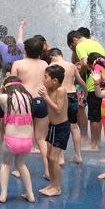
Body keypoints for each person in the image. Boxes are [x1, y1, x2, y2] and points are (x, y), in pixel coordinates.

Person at [11, 38, 49, 177]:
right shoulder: (45, 64)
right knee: (41, 138)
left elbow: (12, 84)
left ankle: (19, 168)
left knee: (23, 135)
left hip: (25, 101)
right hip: (41, 100)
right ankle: (47, 170)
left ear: (25, 50)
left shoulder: (18, 64)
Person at [0, 76, 36, 203]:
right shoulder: (29, 98)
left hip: (11, 140)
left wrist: (1, 90)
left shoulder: (4, 97)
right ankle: (30, 194)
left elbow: (4, 109)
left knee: (6, 164)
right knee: (21, 164)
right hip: (27, 140)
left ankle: (3, 195)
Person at [67, 29, 105, 151]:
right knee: (98, 115)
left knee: (93, 116)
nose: (73, 48)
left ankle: (93, 144)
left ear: (74, 40)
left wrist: (77, 73)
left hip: (92, 83)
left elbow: (85, 63)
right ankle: (98, 142)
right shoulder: (96, 43)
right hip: (103, 81)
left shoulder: (80, 45)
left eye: (71, 46)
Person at [48, 48, 86, 164]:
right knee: (74, 126)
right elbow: (80, 81)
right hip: (73, 95)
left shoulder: (52, 66)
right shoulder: (72, 66)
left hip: (59, 96)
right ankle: (78, 155)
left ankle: (60, 157)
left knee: (59, 126)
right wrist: (86, 93)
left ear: (52, 56)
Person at [38, 64, 69, 197]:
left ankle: (57, 187)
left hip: (61, 128)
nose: (43, 79)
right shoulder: (49, 89)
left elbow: (58, 109)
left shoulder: (61, 90)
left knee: (54, 158)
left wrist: (45, 97)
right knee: (48, 157)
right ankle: (52, 184)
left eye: (46, 77)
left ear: (55, 80)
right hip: (53, 127)